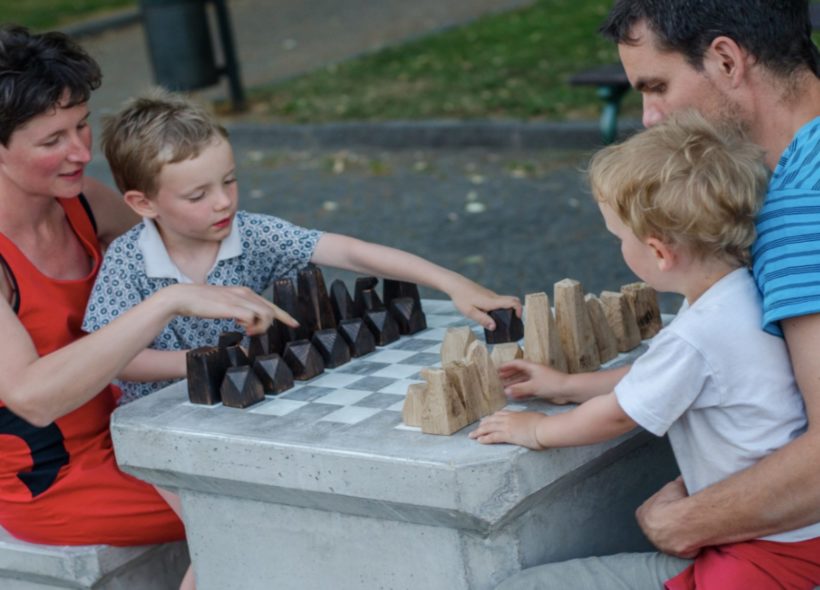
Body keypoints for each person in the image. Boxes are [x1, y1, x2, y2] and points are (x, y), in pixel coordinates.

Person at [472, 112, 820, 588]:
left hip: (761, 554)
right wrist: (569, 385)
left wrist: (539, 431)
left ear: (659, 252)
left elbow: (620, 414)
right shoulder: (739, 293)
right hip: (793, 531)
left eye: (619, 238)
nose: (618, 247)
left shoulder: (695, 335)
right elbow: (657, 376)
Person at [0, 25, 288, 590]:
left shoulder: (83, 201)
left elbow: (179, 246)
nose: (82, 151)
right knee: (265, 505)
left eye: (82, 125)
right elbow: (31, 398)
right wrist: (171, 301)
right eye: (52, 140)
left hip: (143, 426)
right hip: (56, 479)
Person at [81, 89, 521, 404]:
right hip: (162, 418)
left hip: (250, 402)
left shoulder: (250, 234)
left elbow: (351, 252)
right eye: (197, 196)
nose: (222, 201)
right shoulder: (128, 261)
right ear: (143, 203)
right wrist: (207, 362)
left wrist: (451, 282)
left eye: (230, 181)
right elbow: (119, 361)